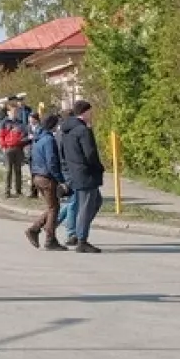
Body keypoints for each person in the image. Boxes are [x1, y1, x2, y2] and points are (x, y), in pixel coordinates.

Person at [59, 98, 105, 253]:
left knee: (96, 201)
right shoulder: (83, 130)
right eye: (90, 111)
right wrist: (98, 167)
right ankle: (82, 239)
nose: (92, 114)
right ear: (85, 112)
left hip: (75, 171)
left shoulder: (67, 130)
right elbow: (90, 153)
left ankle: (79, 232)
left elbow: (64, 153)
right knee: (86, 206)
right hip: (86, 173)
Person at [24, 113, 68, 250]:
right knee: (54, 208)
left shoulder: (38, 138)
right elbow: (52, 162)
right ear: (53, 125)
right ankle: (48, 238)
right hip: (47, 177)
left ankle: (36, 230)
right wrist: (61, 180)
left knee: (51, 207)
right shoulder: (49, 140)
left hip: (37, 176)